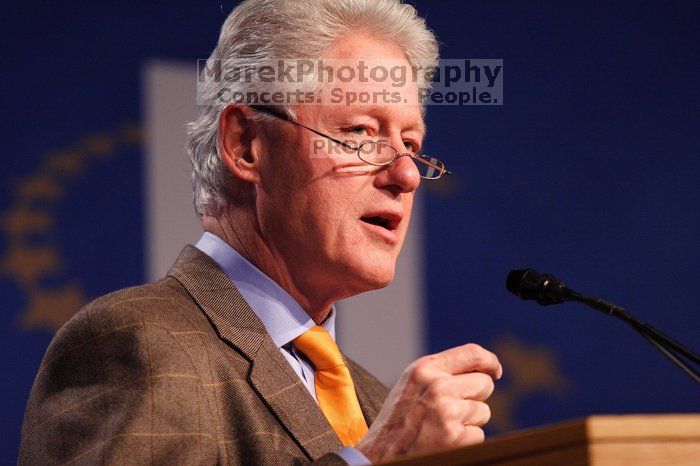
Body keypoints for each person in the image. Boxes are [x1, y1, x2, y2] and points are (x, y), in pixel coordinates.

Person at [19, 0, 502, 464]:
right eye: (360, 132)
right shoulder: (137, 343)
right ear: (246, 144)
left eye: (411, 144)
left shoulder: (373, 402)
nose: (407, 175)